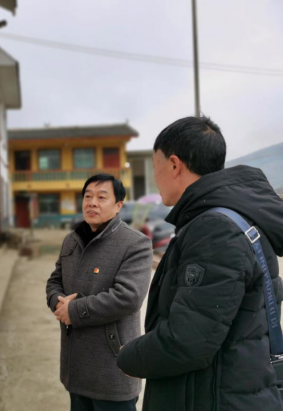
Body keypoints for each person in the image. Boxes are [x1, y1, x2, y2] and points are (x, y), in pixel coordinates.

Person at [118, 116, 283, 411]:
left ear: (174, 165)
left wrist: (129, 357)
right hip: (225, 389)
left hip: (213, 397)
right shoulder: (233, 218)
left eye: (155, 166)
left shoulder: (214, 229)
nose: (155, 177)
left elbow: (189, 340)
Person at [46, 174, 153, 411]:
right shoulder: (72, 240)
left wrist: (74, 310)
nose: (92, 203)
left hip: (112, 366)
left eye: (101, 197)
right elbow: (54, 281)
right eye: (88, 196)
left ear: (118, 206)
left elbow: (128, 297)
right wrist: (57, 303)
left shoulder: (135, 243)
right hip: (76, 364)